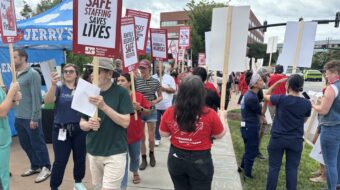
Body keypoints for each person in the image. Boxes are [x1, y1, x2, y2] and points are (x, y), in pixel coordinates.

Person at [160, 75, 226, 190]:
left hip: (176, 158)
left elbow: (163, 134)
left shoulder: (170, 111)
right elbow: (219, 135)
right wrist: (223, 118)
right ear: (201, 93)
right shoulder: (210, 114)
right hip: (200, 160)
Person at [80, 58, 134, 190]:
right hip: (93, 151)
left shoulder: (121, 93)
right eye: (91, 70)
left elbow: (126, 122)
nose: (92, 73)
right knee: (97, 187)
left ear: (109, 74)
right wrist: (89, 125)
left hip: (115, 153)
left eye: (97, 70)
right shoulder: (88, 92)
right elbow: (82, 123)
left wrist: (104, 107)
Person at [264, 74, 311, 190]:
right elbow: (304, 120)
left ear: (288, 85)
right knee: (292, 169)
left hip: (278, 138)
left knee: (274, 168)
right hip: (295, 140)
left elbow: (265, 95)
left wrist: (277, 83)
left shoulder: (281, 98)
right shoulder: (307, 103)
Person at [44, 64, 87, 190]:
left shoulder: (82, 88)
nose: (67, 73)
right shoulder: (58, 87)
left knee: (80, 158)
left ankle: (78, 182)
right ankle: (54, 186)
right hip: (61, 130)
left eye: (71, 71)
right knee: (60, 161)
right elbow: (48, 101)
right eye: (65, 71)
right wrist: (52, 85)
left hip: (79, 130)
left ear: (76, 74)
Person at [14, 48, 51, 183]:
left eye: (15, 57)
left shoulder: (33, 74)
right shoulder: (17, 74)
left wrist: (34, 117)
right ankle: (35, 165)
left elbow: (37, 98)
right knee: (25, 144)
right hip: (19, 116)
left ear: (23, 58)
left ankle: (46, 167)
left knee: (38, 144)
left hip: (31, 117)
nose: (13, 60)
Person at [117, 73, 151, 189]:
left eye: (122, 80)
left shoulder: (138, 96)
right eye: (118, 81)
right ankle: (123, 186)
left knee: (135, 156)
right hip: (120, 134)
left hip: (135, 134)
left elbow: (148, 112)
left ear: (129, 82)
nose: (119, 83)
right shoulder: (116, 96)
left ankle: (135, 170)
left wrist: (139, 108)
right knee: (123, 161)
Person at [311, 60, 340, 190]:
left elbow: (323, 110)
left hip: (330, 129)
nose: (326, 76)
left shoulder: (332, 87)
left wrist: (313, 104)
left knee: (330, 164)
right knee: (338, 161)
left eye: (327, 73)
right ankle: (336, 185)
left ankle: (331, 187)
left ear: (335, 72)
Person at [135, 59, 163, 170]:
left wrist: (155, 101)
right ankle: (143, 158)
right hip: (140, 111)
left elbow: (160, 96)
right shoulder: (136, 81)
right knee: (142, 137)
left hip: (151, 110)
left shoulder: (155, 82)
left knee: (151, 138)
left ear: (149, 69)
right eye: (140, 68)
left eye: (144, 68)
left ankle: (151, 154)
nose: (142, 70)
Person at [238, 70, 266, 179]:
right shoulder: (252, 97)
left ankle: (242, 167)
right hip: (251, 127)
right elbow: (261, 112)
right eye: (259, 80)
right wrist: (266, 102)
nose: (261, 80)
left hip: (246, 126)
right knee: (252, 150)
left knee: (248, 148)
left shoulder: (249, 94)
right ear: (254, 84)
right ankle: (248, 174)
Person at [0, 82, 22, 190]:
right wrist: (11, 92)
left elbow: (6, 105)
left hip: (3, 139)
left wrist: (13, 99)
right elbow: (1, 112)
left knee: (3, 175)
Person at [153, 63, 176, 146]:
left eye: (160, 67)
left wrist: (164, 89)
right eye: (157, 67)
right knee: (156, 122)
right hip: (156, 105)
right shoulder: (153, 78)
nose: (158, 69)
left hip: (167, 105)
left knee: (170, 122)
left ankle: (172, 135)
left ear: (163, 68)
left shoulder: (169, 78)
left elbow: (174, 90)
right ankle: (157, 138)